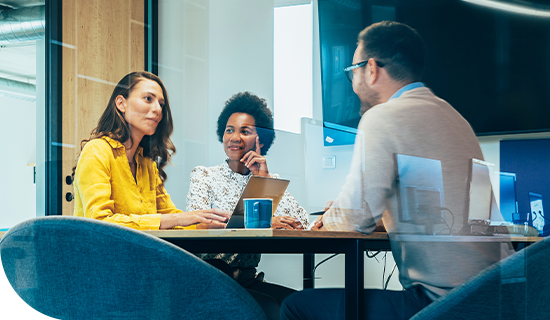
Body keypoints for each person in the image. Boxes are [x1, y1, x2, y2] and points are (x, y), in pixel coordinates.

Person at [281, 21, 514, 320]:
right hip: (495, 299)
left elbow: (354, 218)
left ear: (372, 69)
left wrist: (334, 215)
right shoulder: (455, 118)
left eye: (353, 71)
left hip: (444, 305)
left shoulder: (384, 117)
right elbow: (437, 209)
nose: (352, 83)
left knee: (296, 306)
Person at [186, 91, 309, 318]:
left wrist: (264, 178)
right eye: (229, 130)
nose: (234, 137)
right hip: (212, 280)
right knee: (274, 310)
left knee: (302, 306)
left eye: (245, 131)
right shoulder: (204, 175)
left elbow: (301, 223)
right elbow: (200, 224)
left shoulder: (264, 179)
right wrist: (262, 222)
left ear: (259, 139)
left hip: (249, 281)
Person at [73, 71, 230, 230]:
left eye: (161, 104)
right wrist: (179, 218)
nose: (158, 109)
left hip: (142, 254)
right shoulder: (96, 151)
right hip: (104, 254)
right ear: (121, 104)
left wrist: (205, 225)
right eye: (148, 99)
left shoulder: (147, 164)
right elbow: (101, 223)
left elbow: (170, 220)